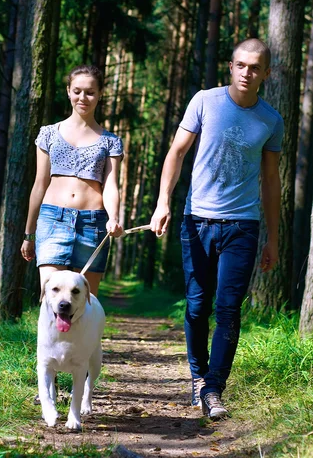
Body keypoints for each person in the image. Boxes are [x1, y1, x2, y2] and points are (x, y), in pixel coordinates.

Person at [150, 38, 283, 419]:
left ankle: (213, 389)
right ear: (231, 66)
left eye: (255, 67)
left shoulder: (271, 120)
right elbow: (176, 153)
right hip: (197, 221)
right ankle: (197, 377)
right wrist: (163, 203)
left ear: (266, 74)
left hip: (243, 225)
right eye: (241, 65)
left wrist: (273, 239)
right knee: (197, 306)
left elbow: (271, 181)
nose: (247, 72)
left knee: (228, 310)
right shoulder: (205, 101)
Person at [21, 64, 124, 297]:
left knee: (86, 303)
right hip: (52, 221)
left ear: (100, 94)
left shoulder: (110, 141)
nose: (83, 97)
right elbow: (39, 184)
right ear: (68, 91)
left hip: (93, 224)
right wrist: (29, 234)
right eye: (77, 91)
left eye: (90, 92)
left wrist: (114, 218)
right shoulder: (48, 133)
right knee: (51, 300)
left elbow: (110, 186)